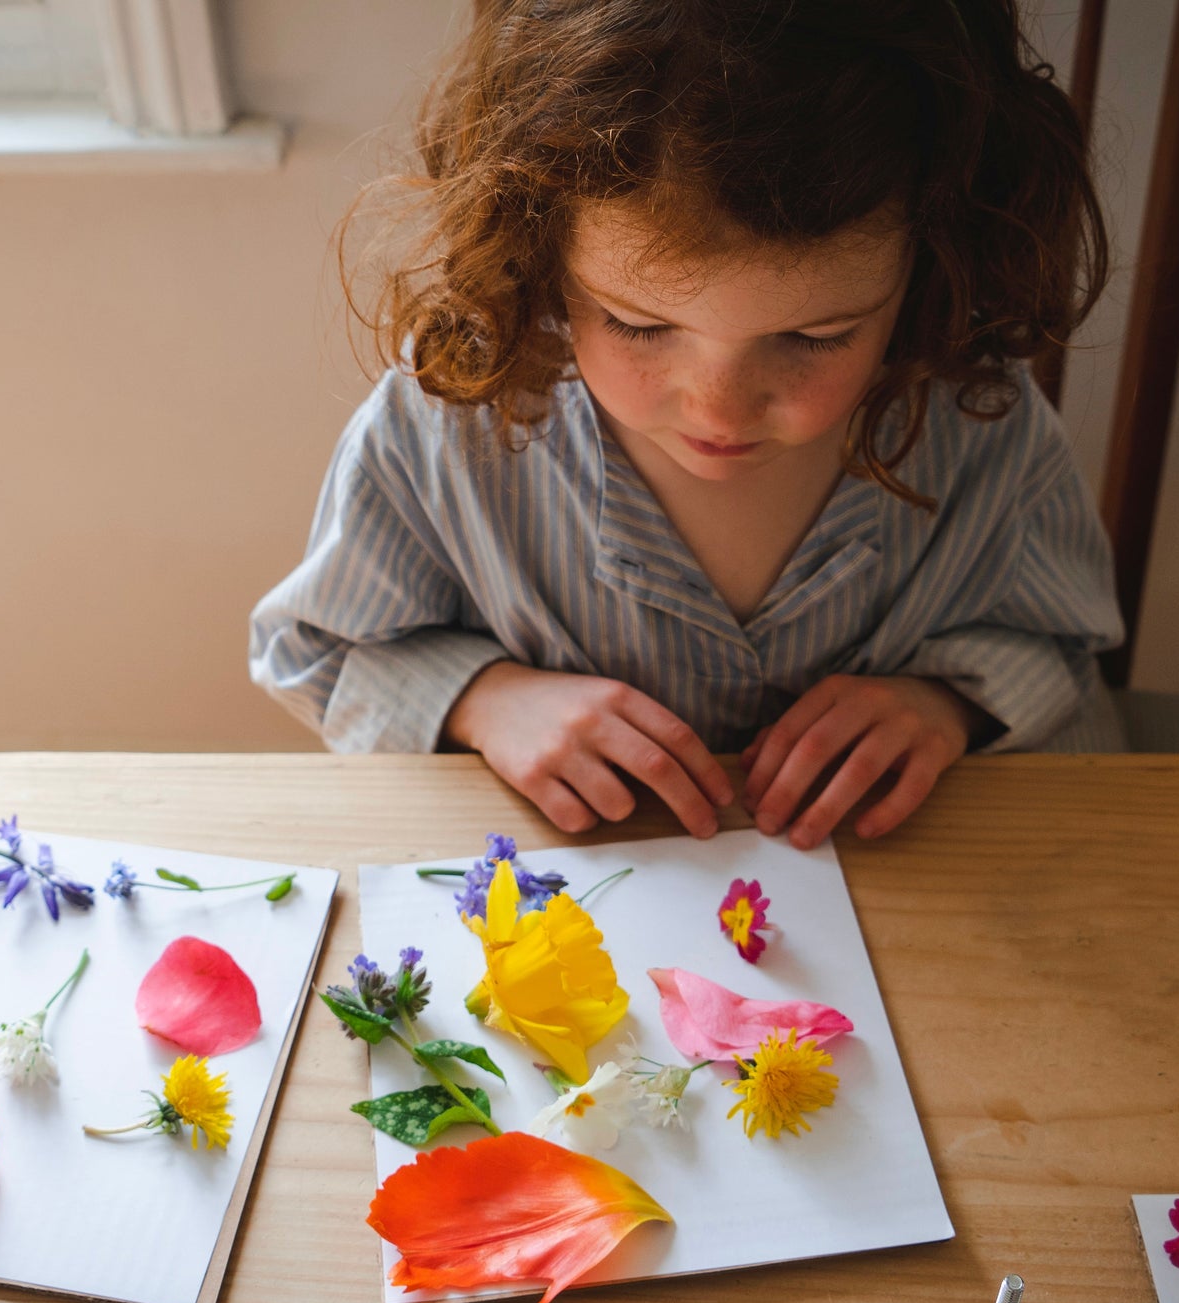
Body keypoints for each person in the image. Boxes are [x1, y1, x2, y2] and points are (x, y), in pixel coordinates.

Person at [250, 0, 1124, 849]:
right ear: (538, 245)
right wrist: (481, 696)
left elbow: (1058, 647)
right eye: (636, 324)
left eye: (815, 338)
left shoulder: (975, 416)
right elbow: (319, 654)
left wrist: (950, 704)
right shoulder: (451, 416)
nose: (717, 407)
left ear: (930, 265)